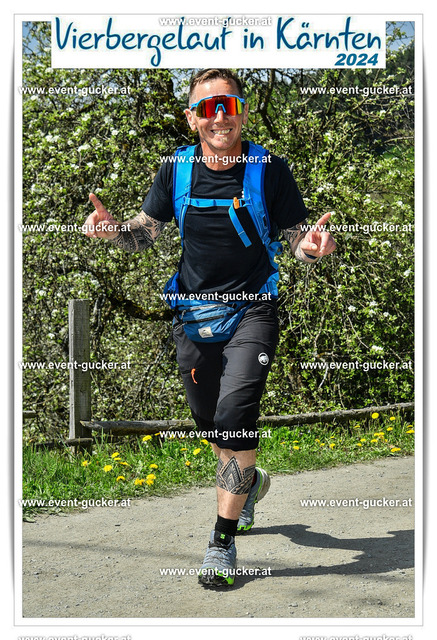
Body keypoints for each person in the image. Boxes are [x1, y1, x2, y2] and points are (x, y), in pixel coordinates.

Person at [84, 68, 336, 587]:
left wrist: (311, 248)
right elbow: (143, 234)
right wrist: (112, 232)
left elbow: (296, 237)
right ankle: (249, 482)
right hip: (193, 315)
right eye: (207, 107)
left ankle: (221, 543)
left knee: (235, 415)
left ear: (243, 110)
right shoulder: (176, 169)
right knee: (212, 425)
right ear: (191, 117)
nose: (219, 116)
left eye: (229, 105)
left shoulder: (269, 169)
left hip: (253, 309)